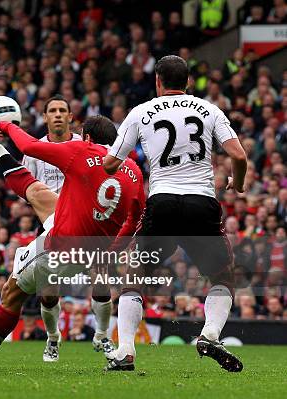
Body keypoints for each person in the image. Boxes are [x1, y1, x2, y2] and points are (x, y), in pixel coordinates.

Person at [0, 105, 145, 367]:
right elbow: (135, 219)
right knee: (38, 192)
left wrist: (5, 125)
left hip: (60, 248)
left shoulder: (82, 150)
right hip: (93, 245)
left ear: (86, 138)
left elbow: (28, 146)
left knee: (12, 291)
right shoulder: (134, 171)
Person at [103, 55, 247, 372]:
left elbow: (110, 164)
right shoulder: (209, 109)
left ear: (158, 80)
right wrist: (237, 183)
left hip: (162, 202)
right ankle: (210, 333)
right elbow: (238, 154)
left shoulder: (140, 113)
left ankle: (125, 349)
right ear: (188, 82)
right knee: (223, 276)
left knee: (134, 272)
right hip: (201, 203)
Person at [21, 95, 82, 194]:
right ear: (45, 117)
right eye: (52, 111)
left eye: (62, 110)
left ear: (70, 117)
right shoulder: (34, 151)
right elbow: (25, 188)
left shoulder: (84, 145)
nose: (58, 114)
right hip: (46, 208)